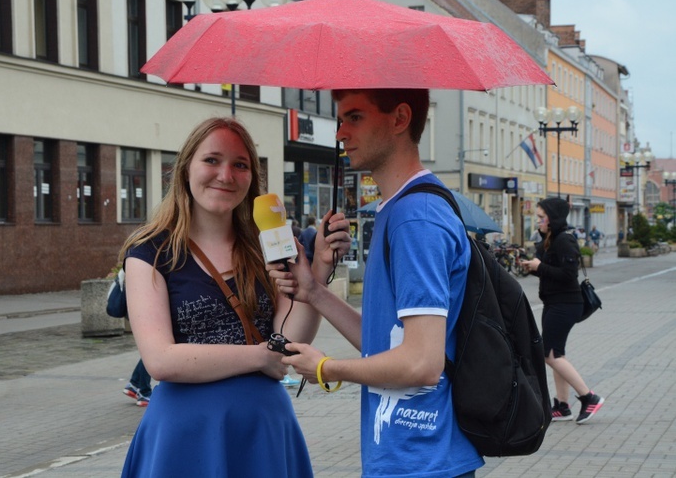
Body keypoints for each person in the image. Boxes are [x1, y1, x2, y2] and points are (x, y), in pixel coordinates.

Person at [268, 88, 484, 477]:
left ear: (400, 119)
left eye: (354, 117)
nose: (340, 134)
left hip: (423, 460)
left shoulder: (415, 219)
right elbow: (385, 345)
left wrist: (326, 368)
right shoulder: (397, 209)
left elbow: (421, 363)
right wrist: (313, 291)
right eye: (340, 120)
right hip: (407, 455)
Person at [118, 117, 350, 477]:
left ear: (251, 178)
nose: (226, 175)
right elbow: (161, 360)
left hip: (263, 430)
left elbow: (290, 341)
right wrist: (260, 357)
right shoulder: (150, 253)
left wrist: (318, 268)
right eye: (212, 160)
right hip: (185, 436)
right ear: (185, 169)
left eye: (240, 165)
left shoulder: (269, 247)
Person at [521, 198, 605, 425]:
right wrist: (532, 267)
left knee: (550, 354)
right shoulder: (549, 240)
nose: (538, 221)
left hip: (566, 304)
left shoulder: (565, 240)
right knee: (556, 354)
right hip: (554, 303)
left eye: (541, 217)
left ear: (553, 218)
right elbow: (548, 272)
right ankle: (562, 405)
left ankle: (589, 397)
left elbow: (568, 275)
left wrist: (541, 267)